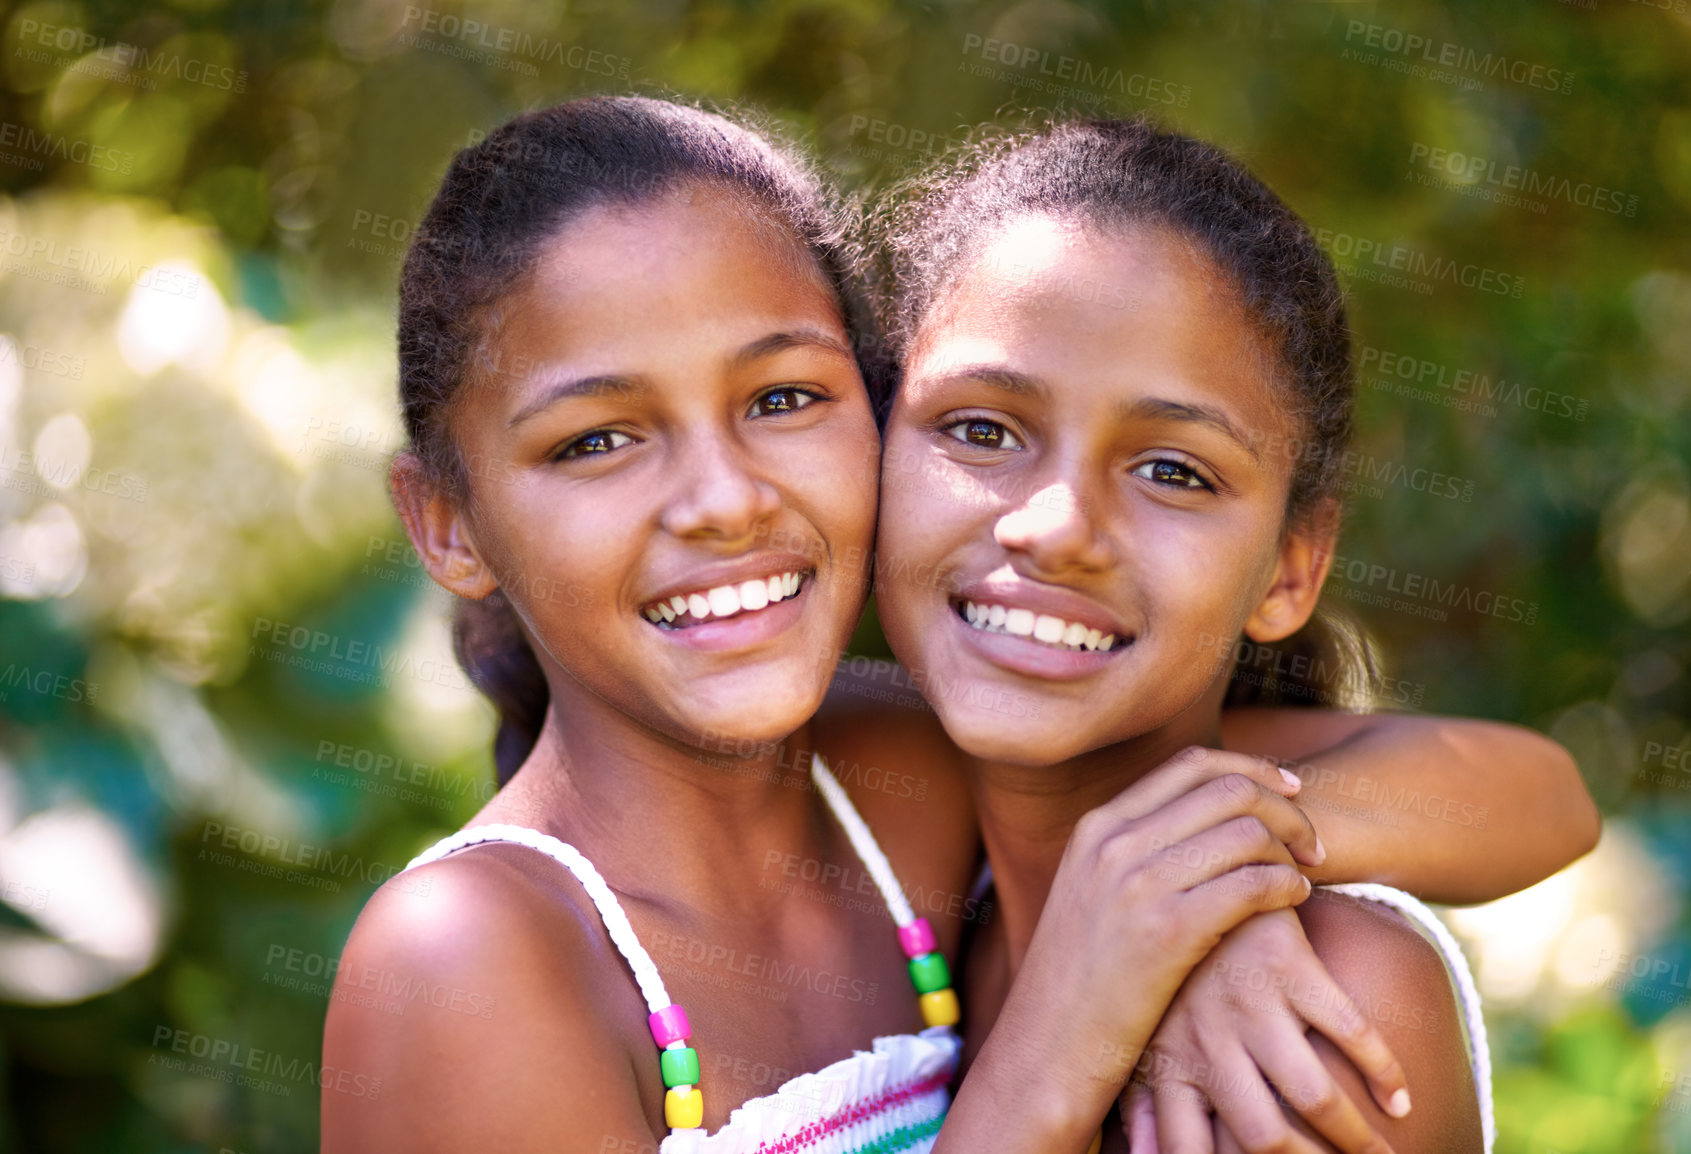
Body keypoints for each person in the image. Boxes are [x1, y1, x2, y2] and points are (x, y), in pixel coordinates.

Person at [321, 96, 1595, 1154]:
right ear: (446, 522)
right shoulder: (464, 960)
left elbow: (1525, 788)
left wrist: (1213, 873)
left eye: (782, 395)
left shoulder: (907, 780)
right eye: (595, 438)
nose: (722, 501)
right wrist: (1062, 1037)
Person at [869, 116, 1596, 1152]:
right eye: (980, 429)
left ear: (1293, 565)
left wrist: (1194, 884)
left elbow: (1550, 789)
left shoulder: (1307, 1008)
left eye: (1174, 470)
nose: (1055, 527)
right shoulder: (885, 834)